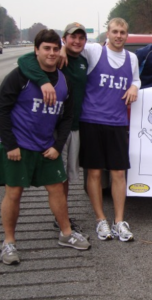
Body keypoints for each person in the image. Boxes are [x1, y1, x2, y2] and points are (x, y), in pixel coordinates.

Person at [0, 30, 91, 265]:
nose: (51, 53)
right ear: (36, 51)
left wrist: (58, 146)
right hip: (18, 147)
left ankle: (66, 233)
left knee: (57, 190)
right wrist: (10, 144)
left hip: (46, 147)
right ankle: (9, 242)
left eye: (54, 48)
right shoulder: (20, 76)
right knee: (14, 193)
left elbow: (67, 117)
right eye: (46, 48)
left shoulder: (63, 80)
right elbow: (2, 110)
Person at [17, 22, 89, 237]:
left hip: (74, 125)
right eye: (71, 37)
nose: (76, 41)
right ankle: (61, 220)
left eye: (81, 37)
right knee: (57, 177)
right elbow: (25, 59)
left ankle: (61, 217)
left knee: (66, 175)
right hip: (54, 127)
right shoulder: (56, 57)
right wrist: (43, 80)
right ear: (65, 39)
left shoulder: (86, 60)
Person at [79, 18, 140, 242]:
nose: (119, 36)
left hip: (117, 122)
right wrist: (65, 51)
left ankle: (119, 221)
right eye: (115, 31)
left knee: (118, 173)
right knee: (94, 173)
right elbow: (69, 43)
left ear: (127, 35)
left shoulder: (131, 58)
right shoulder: (95, 51)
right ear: (108, 33)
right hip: (92, 121)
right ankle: (100, 220)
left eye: (123, 32)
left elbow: (137, 79)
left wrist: (134, 86)